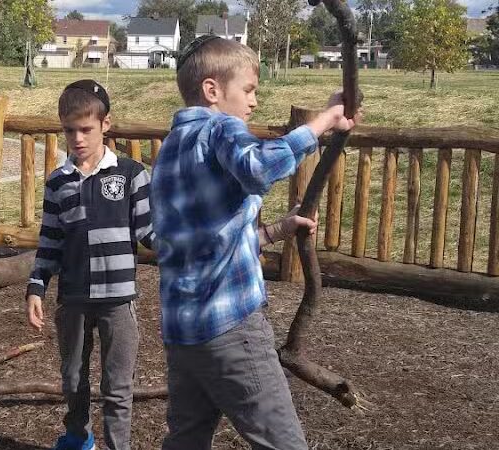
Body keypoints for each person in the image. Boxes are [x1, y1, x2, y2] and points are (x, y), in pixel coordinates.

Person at [150, 35, 360, 450]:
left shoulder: (170, 150)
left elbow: (203, 241)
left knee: (186, 440)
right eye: (248, 89)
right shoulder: (220, 128)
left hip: (183, 334)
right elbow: (259, 167)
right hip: (231, 329)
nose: (254, 101)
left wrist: (276, 231)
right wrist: (322, 122)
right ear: (212, 90)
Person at [25, 80, 155, 450]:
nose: (78, 138)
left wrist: (189, 247)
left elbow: (150, 232)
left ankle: (118, 446)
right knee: (72, 378)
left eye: (86, 129)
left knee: (118, 386)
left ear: (106, 125)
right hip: (74, 298)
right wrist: (36, 287)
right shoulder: (58, 182)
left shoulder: (131, 174)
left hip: (119, 299)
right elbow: (50, 241)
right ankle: (79, 439)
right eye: (69, 130)